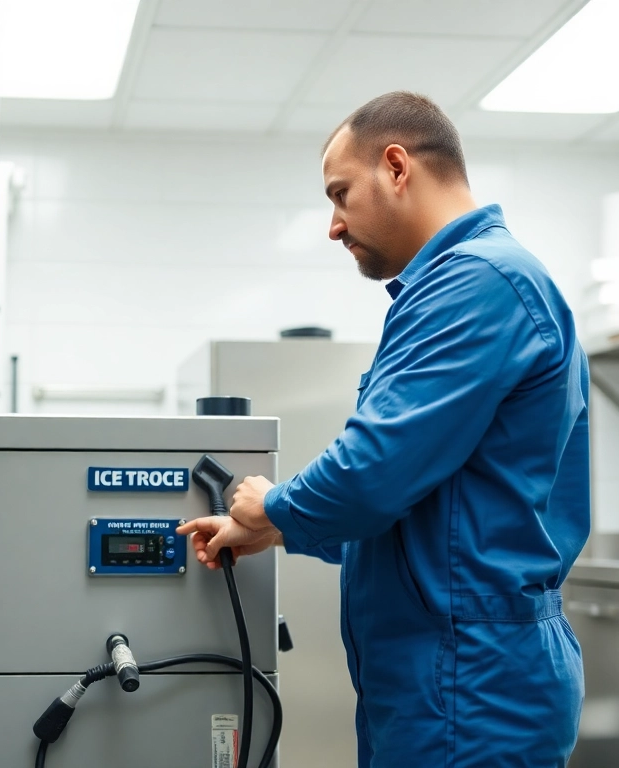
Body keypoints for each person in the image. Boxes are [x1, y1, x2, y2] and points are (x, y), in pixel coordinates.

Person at [177, 91, 589, 767]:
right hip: (446, 672)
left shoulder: (477, 281)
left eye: (340, 194)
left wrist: (272, 503)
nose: (333, 226)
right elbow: (419, 506)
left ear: (396, 167)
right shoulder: (461, 283)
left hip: (470, 682)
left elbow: (375, 470)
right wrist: (273, 529)